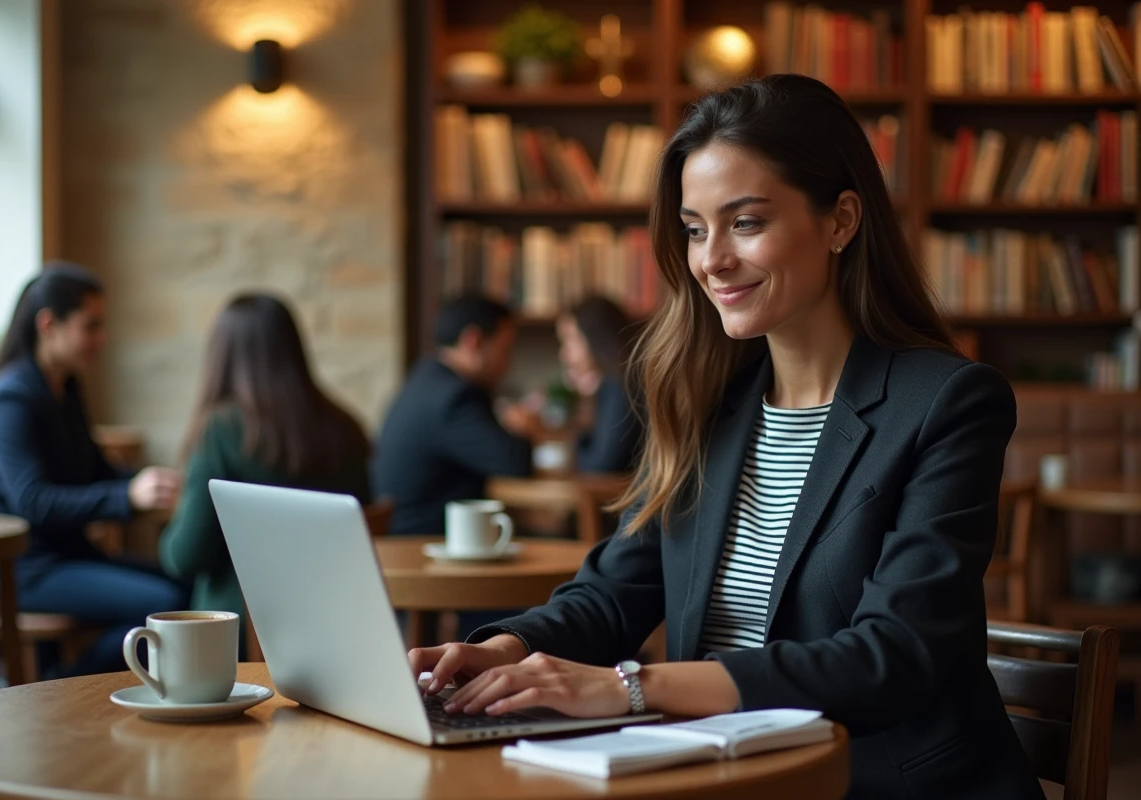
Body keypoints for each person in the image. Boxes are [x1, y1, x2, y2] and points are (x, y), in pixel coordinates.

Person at [409, 76, 1041, 799]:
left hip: (875, 782)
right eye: (694, 227)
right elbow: (616, 592)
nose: (710, 260)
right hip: (716, 777)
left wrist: (630, 688)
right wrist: (498, 650)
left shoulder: (946, 403)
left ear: (840, 220)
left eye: (745, 222)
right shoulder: (705, 398)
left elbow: (893, 657)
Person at [0, 263, 187, 677]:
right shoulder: (9, 402)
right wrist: (126, 497)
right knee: (164, 604)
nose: (102, 340)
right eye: (91, 326)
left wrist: (149, 483)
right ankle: (60, 686)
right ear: (48, 324)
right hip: (24, 570)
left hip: (67, 555)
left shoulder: (66, 389)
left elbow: (96, 469)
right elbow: (32, 502)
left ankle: (71, 680)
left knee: (185, 585)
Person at [159, 293, 372, 638]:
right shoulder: (345, 426)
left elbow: (186, 556)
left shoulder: (222, 431)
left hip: (246, 633)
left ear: (222, 355)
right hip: (337, 624)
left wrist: (172, 521)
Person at [373, 294, 532, 535]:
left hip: (405, 536)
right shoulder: (454, 398)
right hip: (423, 545)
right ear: (474, 341)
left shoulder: (425, 380)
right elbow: (514, 463)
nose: (507, 364)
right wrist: (526, 428)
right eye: (504, 350)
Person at [556, 296, 642, 474]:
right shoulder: (621, 382)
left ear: (597, 339)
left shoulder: (619, 386)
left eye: (570, 340)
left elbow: (598, 468)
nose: (564, 355)